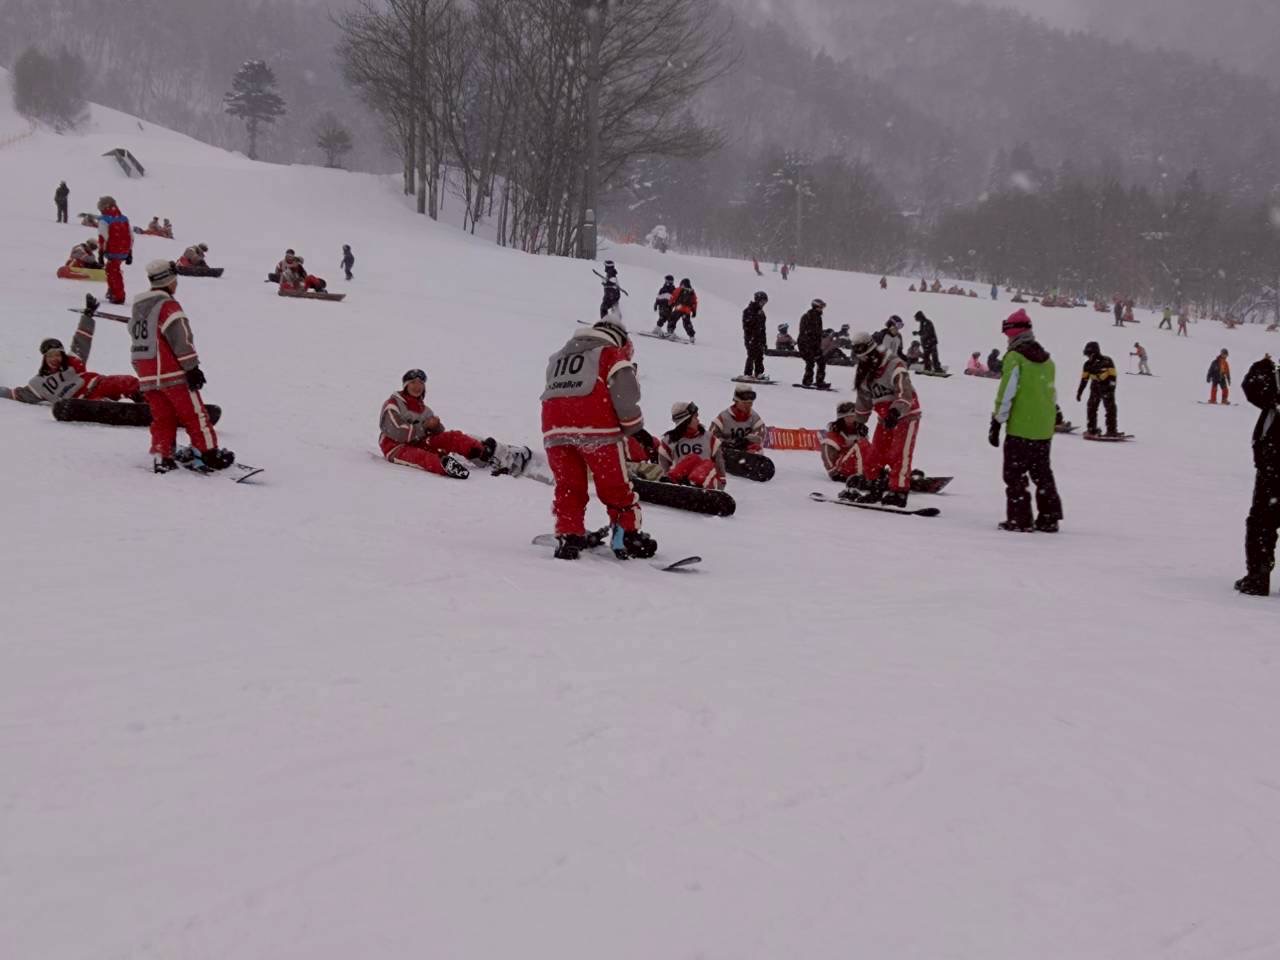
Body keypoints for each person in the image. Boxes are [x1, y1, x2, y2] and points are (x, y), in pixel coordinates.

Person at [539, 312, 658, 560]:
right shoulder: (609, 353)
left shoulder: (558, 357)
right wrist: (636, 429)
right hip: (597, 430)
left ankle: (569, 535)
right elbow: (625, 395)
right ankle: (626, 535)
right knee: (614, 486)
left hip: (555, 430)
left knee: (569, 486)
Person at [130, 259, 234, 473]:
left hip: (148, 374)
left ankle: (163, 454)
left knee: (162, 417)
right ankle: (208, 454)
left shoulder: (140, 307)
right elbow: (180, 338)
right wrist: (192, 367)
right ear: (169, 281)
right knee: (195, 414)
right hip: (172, 372)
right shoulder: (167, 305)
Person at [989, 309, 1063, 532]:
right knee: (1042, 473)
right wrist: (1055, 413)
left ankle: (1020, 519)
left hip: (1021, 428)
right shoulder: (1047, 359)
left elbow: (1007, 392)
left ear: (1014, 334)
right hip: (1043, 428)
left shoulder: (1015, 357)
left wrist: (997, 421)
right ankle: (1049, 517)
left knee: (1015, 475)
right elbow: (1049, 391)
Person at [380, 369, 529, 480]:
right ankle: (445, 465)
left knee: (453, 437)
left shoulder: (425, 410)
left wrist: (436, 426)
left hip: (418, 442)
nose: (417, 386)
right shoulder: (393, 404)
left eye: (421, 383)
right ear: (405, 385)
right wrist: (425, 426)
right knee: (422, 457)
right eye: (413, 382)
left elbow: (440, 434)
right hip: (395, 447)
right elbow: (397, 432)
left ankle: (485, 454)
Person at [1, 294, 141, 405]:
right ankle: (113, 408)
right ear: (45, 358)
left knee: (127, 382)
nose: (55, 358)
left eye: (58, 355)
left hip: (99, 385)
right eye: (51, 356)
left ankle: (150, 400)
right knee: (87, 405)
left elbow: (82, 339)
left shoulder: (73, 361)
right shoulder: (38, 384)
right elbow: (16, 394)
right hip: (83, 402)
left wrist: (87, 316)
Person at [836, 332, 922, 508]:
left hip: (906, 415)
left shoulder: (894, 365)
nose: (863, 358)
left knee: (900, 453)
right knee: (876, 452)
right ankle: (874, 486)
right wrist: (860, 422)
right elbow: (864, 400)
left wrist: (895, 411)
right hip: (885, 418)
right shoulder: (865, 371)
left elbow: (904, 392)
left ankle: (898, 492)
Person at [1236, 354, 1280, 595]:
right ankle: (1257, 576)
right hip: (1272, 463)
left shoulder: (1275, 382)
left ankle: (1258, 577)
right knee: (1263, 522)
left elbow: (1254, 389)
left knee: (1262, 522)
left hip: (1274, 466)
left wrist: (1261, 367)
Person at [659, 401, 726, 490]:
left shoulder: (710, 438)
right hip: (681, 483)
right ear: (686, 421)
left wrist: (721, 483)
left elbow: (720, 468)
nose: (698, 420)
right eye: (695, 417)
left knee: (705, 463)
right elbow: (664, 469)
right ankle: (674, 482)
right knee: (693, 458)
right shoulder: (668, 442)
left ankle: (694, 484)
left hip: (708, 486)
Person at [1076, 341, 1120, 437]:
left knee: (1110, 408)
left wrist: (1111, 388)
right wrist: (1079, 392)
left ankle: (1111, 430)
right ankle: (1092, 429)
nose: (1088, 357)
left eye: (1089, 354)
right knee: (1091, 408)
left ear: (1094, 352)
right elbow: (1084, 379)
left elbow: (1113, 376)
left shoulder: (1107, 361)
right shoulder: (1087, 364)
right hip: (1095, 388)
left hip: (1107, 387)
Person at [96, 195, 132, 305]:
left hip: (113, 249)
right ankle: (112, 291)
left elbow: (103, 236)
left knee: (112, 271)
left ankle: (118, 295)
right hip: (124, 250)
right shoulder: (124, 218)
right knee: (113, 269)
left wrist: (101, 253)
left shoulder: (104, 220)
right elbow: (131, 235)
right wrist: (130, 252)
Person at [711, 384, 766, 452]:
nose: (748, 406)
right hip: (727, 453)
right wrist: (726, 444)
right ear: (736, 402)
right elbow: (711, 437)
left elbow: (760, 435)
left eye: (750, 403)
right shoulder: (724, 418)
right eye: (744, 403)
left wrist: (747, 441)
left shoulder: (754, 417)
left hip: (748, 453)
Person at [821, 401, 868, 481]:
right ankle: (862, 475)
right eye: (847, 417)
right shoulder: (836, 433)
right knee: (861, 445)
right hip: (842, 468)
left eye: (852, 416)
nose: (850, 419)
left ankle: (871, 472)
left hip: (856, 465)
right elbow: (827, 453)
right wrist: (833, 472)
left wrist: (863, 436)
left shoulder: (860, 430)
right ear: (842, 418)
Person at [798, 299, 828, 388]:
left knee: (821, 361)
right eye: (821, 307)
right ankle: (807, 381)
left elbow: (817, 333)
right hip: (806, 344)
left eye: (822, 307)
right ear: (816, 307)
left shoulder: (818, 318)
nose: (822, 309)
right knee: (810, 362)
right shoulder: (807, 316)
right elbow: (804, 332)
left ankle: (820, 381)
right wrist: (807, 345)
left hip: (815, 345)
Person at [741, 291, 769, 379]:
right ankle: (747, 373)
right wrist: (751, 337)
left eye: (765, 302)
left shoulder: (761, 312)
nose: (763, 304)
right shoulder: (749, 310)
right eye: (762, 302)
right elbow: (747, 324)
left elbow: (763, 328)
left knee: (760, 355)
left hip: (759, 338)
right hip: (751, 337)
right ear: (757, 300)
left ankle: (759, 373)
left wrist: (764, 342)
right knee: (752, 355)